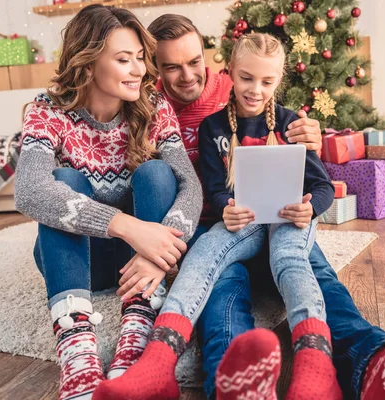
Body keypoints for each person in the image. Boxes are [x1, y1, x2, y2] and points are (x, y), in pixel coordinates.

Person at [109, 14, 385, 400]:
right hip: (219, 226)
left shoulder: (248, 86)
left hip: (282, 222)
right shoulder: (145, 106)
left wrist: (312, 142)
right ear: (154, 68)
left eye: (194, 62)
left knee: (317, 273)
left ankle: (377, 366)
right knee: (223, 287)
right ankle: (234, 382)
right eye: (172, 67)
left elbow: (309, 170)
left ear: (214, 64)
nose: (188, 75)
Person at [94, 32, 342, 400]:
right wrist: (227, 206)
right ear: (230, 72)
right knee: (205, 252)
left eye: (267, 81)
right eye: (246, 78)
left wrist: (310, 208)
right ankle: (158, 360)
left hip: (289, 217)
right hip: (241, 221)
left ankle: (316, 368)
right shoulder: (210, 125)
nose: (256, 89)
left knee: (292, 258)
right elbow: (213, 187)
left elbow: (322, 186)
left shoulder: (291, 124)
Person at [14, 5, 202, 400]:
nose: (137, 69)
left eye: (139, 58)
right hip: (80, 260)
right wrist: (127, 226)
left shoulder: (153, 105)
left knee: (155, 173)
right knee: (62, 181)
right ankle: (77, 352)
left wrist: (158, 252)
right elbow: (29, 190)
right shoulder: (48, 111)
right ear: (88, 62)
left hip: (141, 264)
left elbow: (191, 186)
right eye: (122, 59)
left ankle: (138, 326)